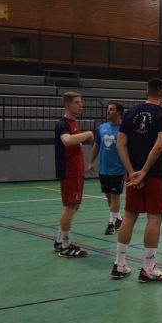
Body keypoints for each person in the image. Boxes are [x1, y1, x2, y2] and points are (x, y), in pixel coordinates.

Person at [111, 78, 162, 282]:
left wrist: (132, 172)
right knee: (154, 218)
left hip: (133, 174)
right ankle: (148, 268)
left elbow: (120, 144)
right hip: (153, 174)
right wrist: (144, 171)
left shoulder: (130, 113)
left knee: (129, 216)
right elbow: (159, 145)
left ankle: (119, 265)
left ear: (145, 92)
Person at [53, 91, 94, 258]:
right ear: (68, 104)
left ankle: (59, 240)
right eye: (77, 102)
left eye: (81, 102)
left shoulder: (72, 124)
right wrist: (88, 134)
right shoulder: (64, 124)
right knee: (70, 206)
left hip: (76, 172)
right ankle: (65, 246)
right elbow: (67, 140)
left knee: (74, 206)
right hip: (69, 172)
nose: (80, 105)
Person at [87, 102, 125, 235]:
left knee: (115, 196)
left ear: (119, 112)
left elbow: (129, 149)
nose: (108, 112)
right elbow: (96, 146)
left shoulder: (124, 129)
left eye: (111, 110)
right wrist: (91, 162)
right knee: (109, 196)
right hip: (104, 169)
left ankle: (111, 223)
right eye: (108, 109)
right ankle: (118, 219)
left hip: (118, 169)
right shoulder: (102, 127)